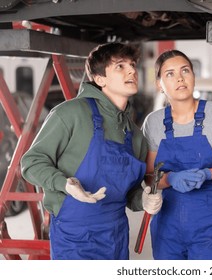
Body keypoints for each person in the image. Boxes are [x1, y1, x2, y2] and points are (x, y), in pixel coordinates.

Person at [20, 42, 163, 260]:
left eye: (132, 64)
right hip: (73, 236)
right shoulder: (71, 114)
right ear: (99, 79)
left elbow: (130, 192)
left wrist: (142, 200)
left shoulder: (135, 135)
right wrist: (65, 184)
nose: (132, 70)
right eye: (120, 66)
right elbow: (31, 163)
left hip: (115, 236)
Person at [142, 50, 212, 260]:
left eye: (185, 71)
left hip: (210, 226)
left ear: (193, 76)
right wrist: (170, 179)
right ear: (159, 84)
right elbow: (149, 178)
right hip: (168, 227)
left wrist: (207, 174)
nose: (180, 78)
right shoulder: (153, 123)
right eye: (170, 74)